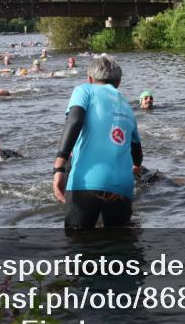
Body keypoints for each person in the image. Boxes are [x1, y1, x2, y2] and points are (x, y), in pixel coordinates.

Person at [52, 55, 144, 229]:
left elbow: (74, 121)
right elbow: (137, 153)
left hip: (86, 181)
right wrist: (135, 167)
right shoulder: (127, 106)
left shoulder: (84, 90)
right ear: (119, 82)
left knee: (77, 245)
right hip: (122, 187)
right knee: (120, 247)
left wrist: (58, 167)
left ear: (90, 79)